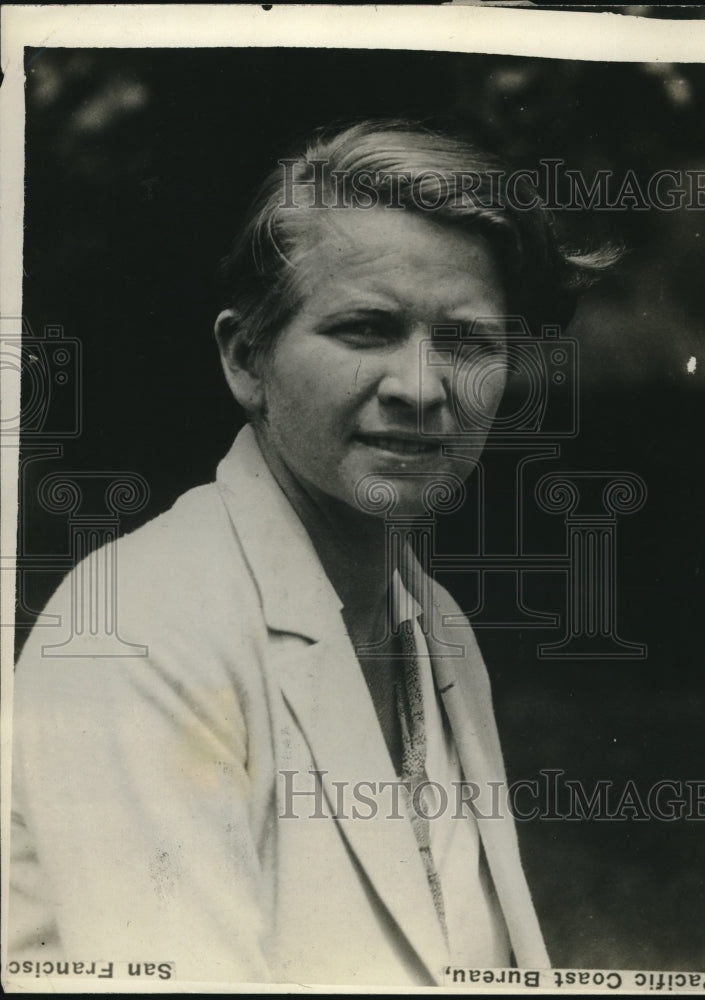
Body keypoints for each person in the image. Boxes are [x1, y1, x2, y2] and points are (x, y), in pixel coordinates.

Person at [9, 121, 610, 987]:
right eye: (366, 329)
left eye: (469, 342)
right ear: (246, 359)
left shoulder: (435, 626)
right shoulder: (137, 630)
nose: (419, 387)